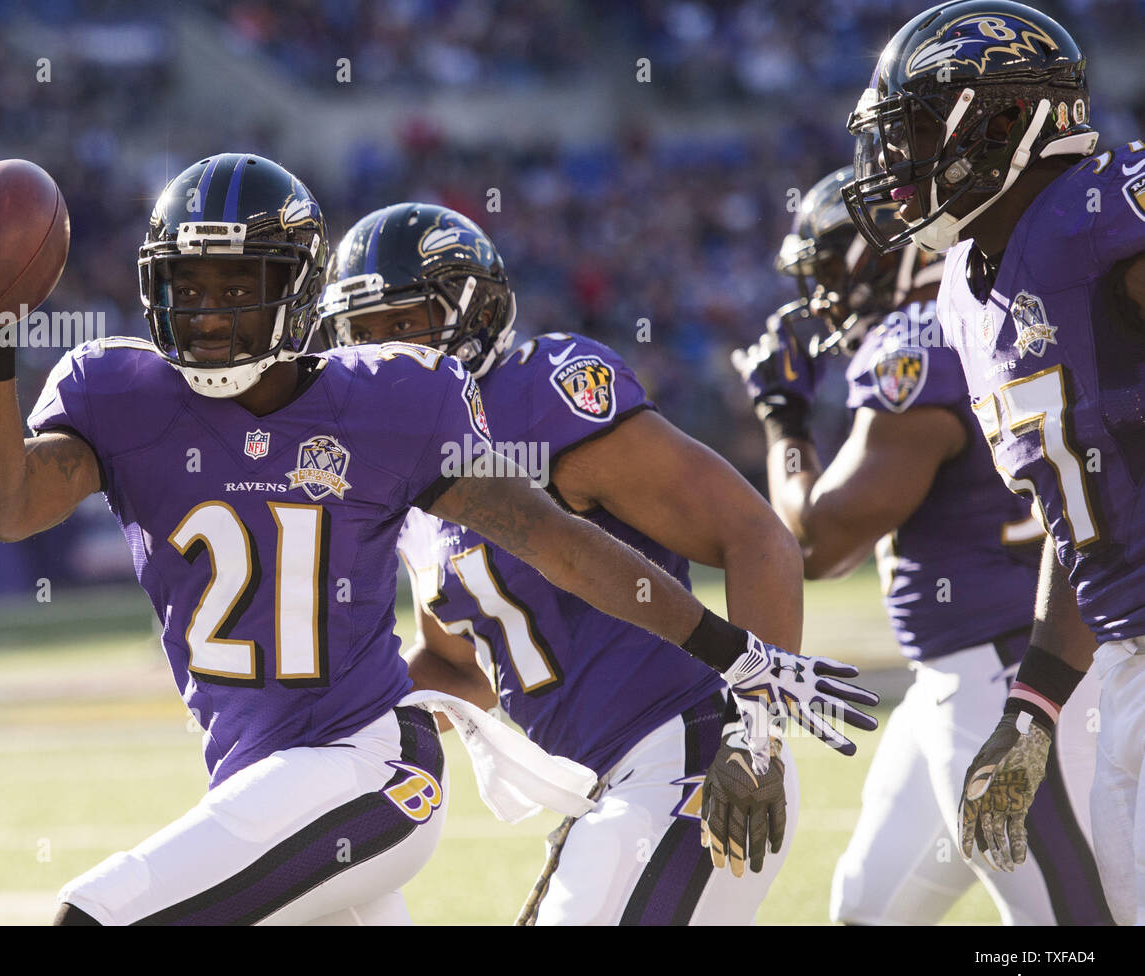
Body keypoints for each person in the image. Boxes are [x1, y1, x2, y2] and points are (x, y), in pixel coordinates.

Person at [0, 155, 871, 925]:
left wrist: (752, 693)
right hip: (432, 783)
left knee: (96, 917)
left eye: (239, 285)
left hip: (618, 755)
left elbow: (602, 544)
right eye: (191, 287)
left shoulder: (485, 401)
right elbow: (455, 658)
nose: (212, 312)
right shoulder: (155, 401)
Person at [318, 201, 873, 924]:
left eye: (404, 324)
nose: (386, 353)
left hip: (697, 751)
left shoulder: (539, 395)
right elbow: (459, 664)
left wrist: (758, 736)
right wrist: (328, 722)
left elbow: (755, 534)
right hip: (604, 792)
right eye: (363, 334)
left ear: (474, 314)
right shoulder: (413, 483)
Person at [734, 166, 1108, 924]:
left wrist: (783, 418)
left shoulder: (917, 343)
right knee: (866, 908)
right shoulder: (980, 309)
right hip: (958, 673)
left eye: (833, 266)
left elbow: (816, 544)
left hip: (1006, 670)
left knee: (1066, 929)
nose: (824, 295)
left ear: (890, 255)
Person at [845, 0, 1145, 925]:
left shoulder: (1105, 214)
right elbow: (1075, 508)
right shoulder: (970, 291)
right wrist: (1034, 706)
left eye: (919, 131)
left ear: (1006, 119)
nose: (895, 164)